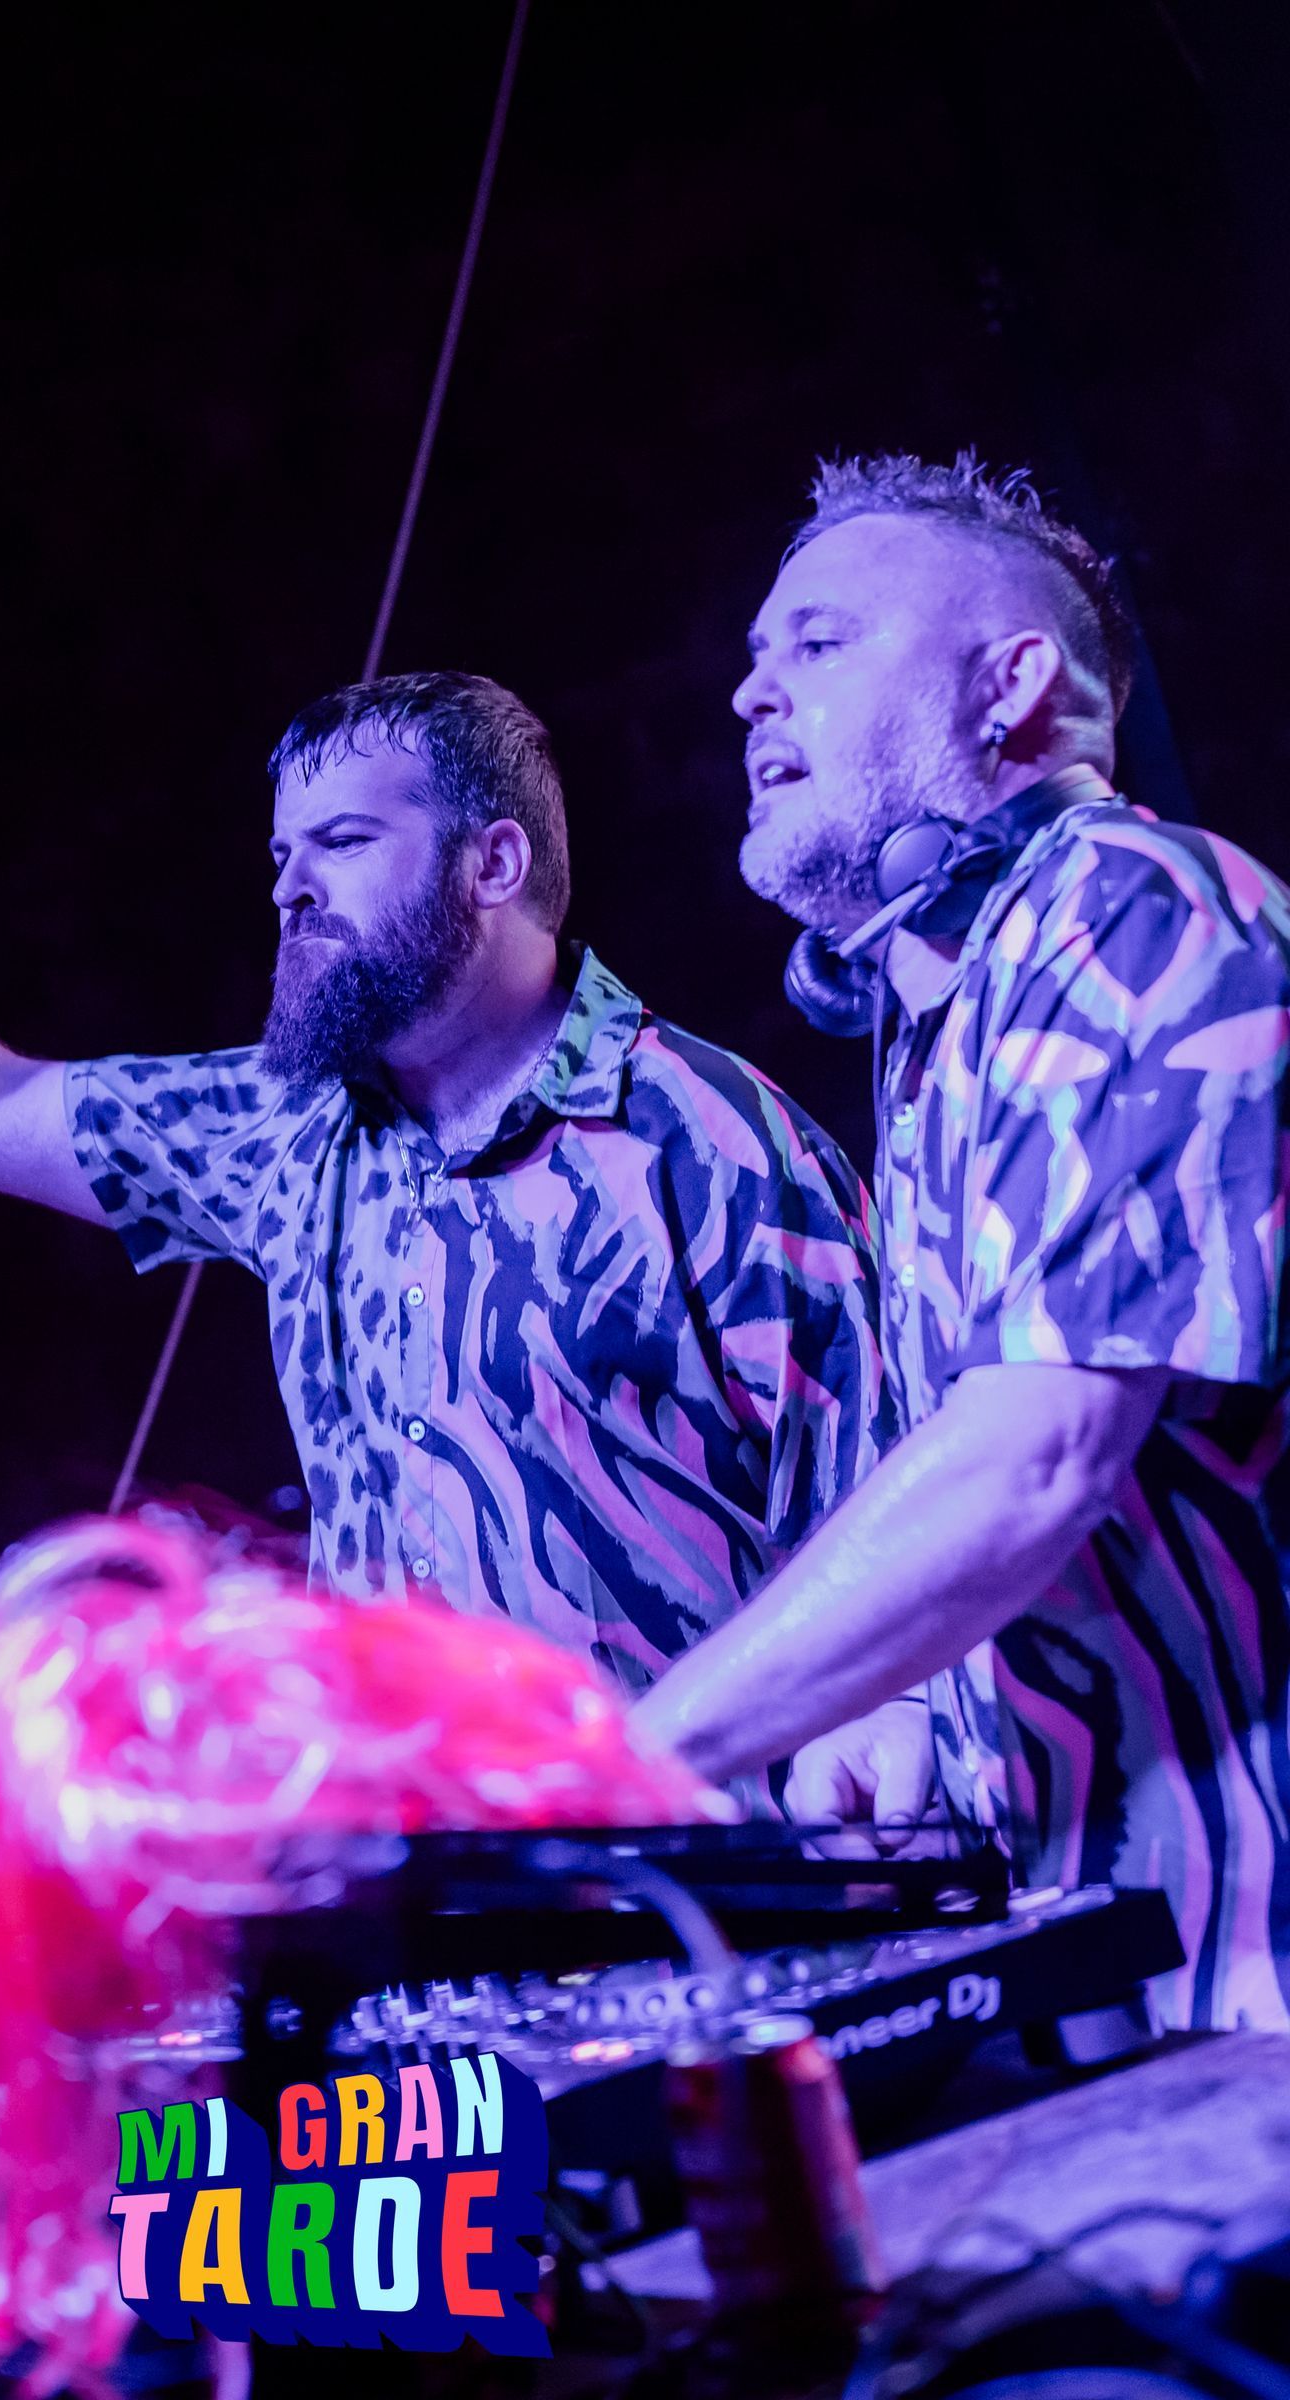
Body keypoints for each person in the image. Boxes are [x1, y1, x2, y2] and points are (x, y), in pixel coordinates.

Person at [0, 670, 893, 1712]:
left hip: (710, 1917)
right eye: (281, 858)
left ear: (494, 862)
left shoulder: (707, 1146)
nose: (291, 889)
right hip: (442, 1940)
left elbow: (902, 1542)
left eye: (343, 843)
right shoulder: (286, 1135)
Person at [629, 455, 1289, 2030]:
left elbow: (1035, 1457)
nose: (748, 694)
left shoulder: (1136, 905)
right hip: (1156, 1964)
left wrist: (612, 1767)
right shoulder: (948, 1024)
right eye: (754, 655)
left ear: (1012, 686)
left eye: (820, 642)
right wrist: (916, 1701)